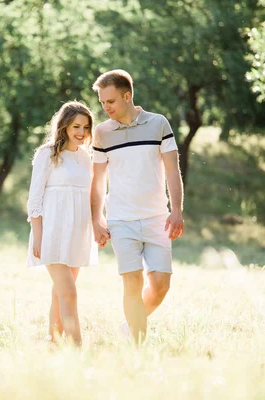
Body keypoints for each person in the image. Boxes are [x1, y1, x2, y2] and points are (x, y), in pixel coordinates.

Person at [90, 69, 185, 343]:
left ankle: (128, 326)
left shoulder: (158, 124)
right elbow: (97, 182)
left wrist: (176, 210)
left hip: (158, 219)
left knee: (160, 286)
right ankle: (137, 347)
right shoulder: (102, 133)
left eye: (110, 101)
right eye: (102, 103)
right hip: (121, 220)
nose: (105, 108)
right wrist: (96, 219)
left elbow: (172, 171)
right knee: (132, 282)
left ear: (127, 96)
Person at [26, 101, 98, 346]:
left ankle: (53, 341)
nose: (81, 132)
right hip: (53, 232)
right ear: (65, 125)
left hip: (78, 231)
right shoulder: (48, 154)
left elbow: (90, 195)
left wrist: (99, 224)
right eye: (76, 126)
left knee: (60, 292)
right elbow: (35, 198)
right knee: (69, 292)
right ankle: (76, 347)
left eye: (86, 128)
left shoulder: (86, 157)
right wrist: (39, 235)